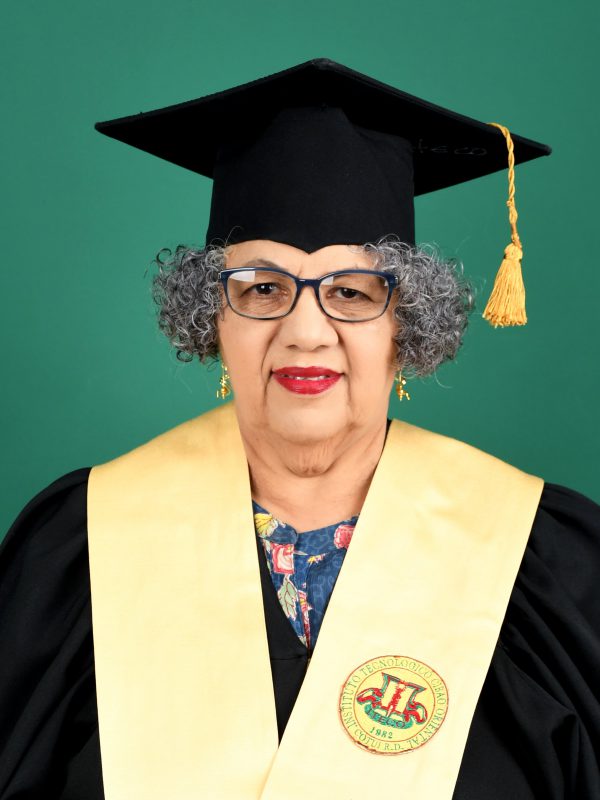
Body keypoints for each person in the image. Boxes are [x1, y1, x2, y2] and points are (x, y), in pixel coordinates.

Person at [0, 58, 598, 800]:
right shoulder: (81, 547)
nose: (306, 332)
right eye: (262, 289)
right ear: (211, 322)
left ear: (406, 326)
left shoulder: (544, 564)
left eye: (352, 291)